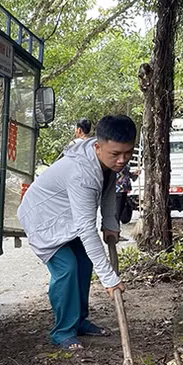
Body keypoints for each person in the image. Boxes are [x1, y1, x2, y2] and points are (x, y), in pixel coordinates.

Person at [17, 115, 136, 350]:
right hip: (43, 220)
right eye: (115, 154)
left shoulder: (107, 162)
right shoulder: (81, 173)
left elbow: (109, 190)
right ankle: (63, 332)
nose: (122, 160)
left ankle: (79, 320)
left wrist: (110, 222)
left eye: (128, 153)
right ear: (98, 146)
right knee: (67, 267)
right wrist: (110, 279)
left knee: (83, 262)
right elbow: (85, 228)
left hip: (66, 218)